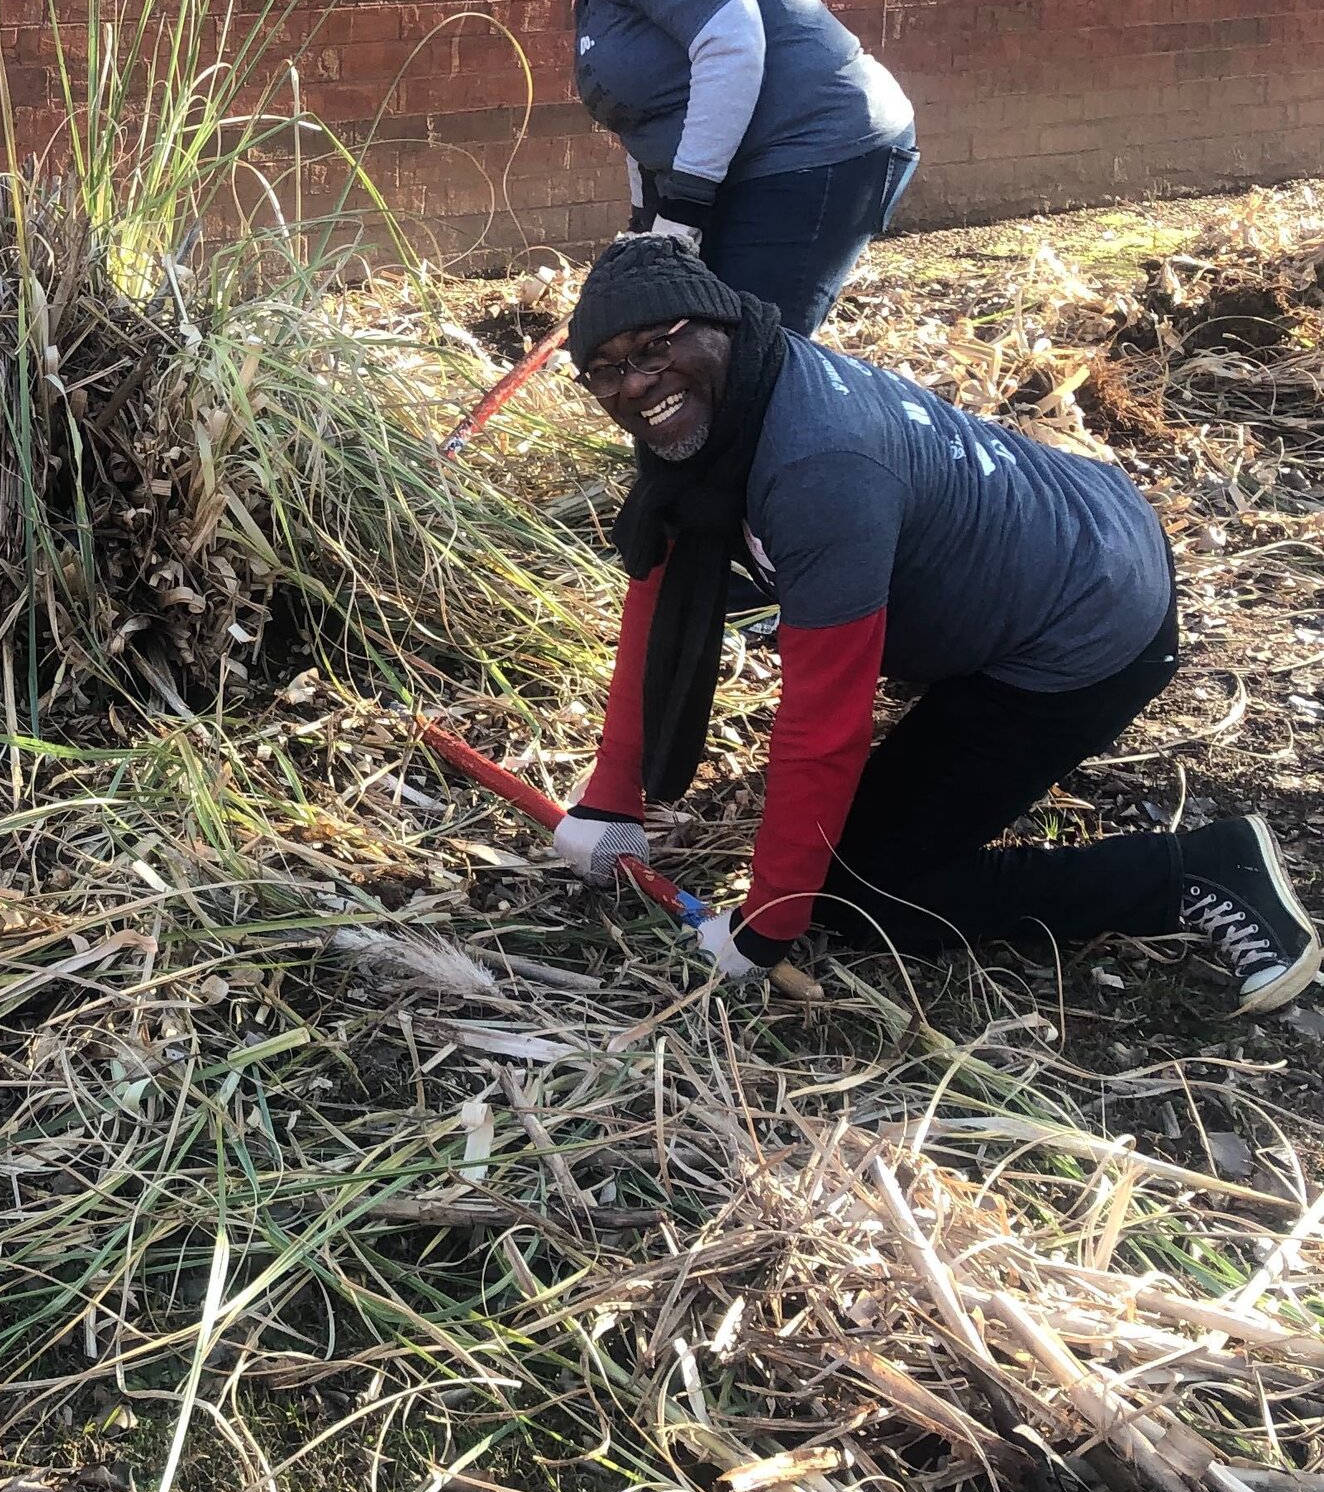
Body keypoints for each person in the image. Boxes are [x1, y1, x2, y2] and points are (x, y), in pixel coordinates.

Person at [547, 234, 1319, 1015]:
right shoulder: (722, 406)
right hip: (1064, 529)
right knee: (861, 831)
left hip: (1089, 620)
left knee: (862, 893)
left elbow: (823, 722)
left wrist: (771, 915)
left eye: (657, 346)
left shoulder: (818, 468)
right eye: (607, 368)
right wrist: (613, 797)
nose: (638, 382)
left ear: (721, 324)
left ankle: (1202, 871)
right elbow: (659, 588)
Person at [489, 0, 917, 337]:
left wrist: (683, 210)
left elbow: (731, 47)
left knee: (743, 354)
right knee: (699, 344)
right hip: (759, 167)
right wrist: (645, 226)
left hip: (819, 149)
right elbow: (641, 112)